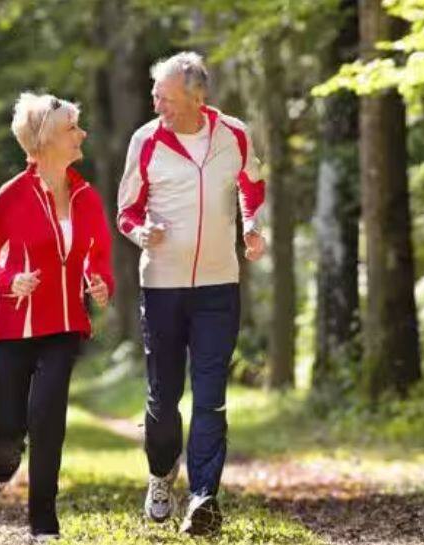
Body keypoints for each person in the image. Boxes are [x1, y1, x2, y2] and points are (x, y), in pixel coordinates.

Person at [116, 51, 267, 536]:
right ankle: (162, 475)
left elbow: (253, 184)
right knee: (164, 400)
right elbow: (126, 211)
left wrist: (253, 226)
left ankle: (203, 497)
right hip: (161, 285)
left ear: (197, 98)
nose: (157, 104)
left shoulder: (234, 134)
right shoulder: (145, 141)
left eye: (167, 97)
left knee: (211, 396)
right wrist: (142, 233)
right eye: (156, 95)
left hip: (219, 285)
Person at [0, 91, 114, 541]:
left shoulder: (86, 197)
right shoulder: (12, 196)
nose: (82, 134)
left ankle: (43, 525)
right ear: (46, 140)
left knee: (48, 420)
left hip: (65, 325)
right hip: (13, 327)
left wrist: (99, 281)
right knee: (7, 430)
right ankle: (0, 471)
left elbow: (99, 254)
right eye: (73, 128)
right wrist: (8, 281)